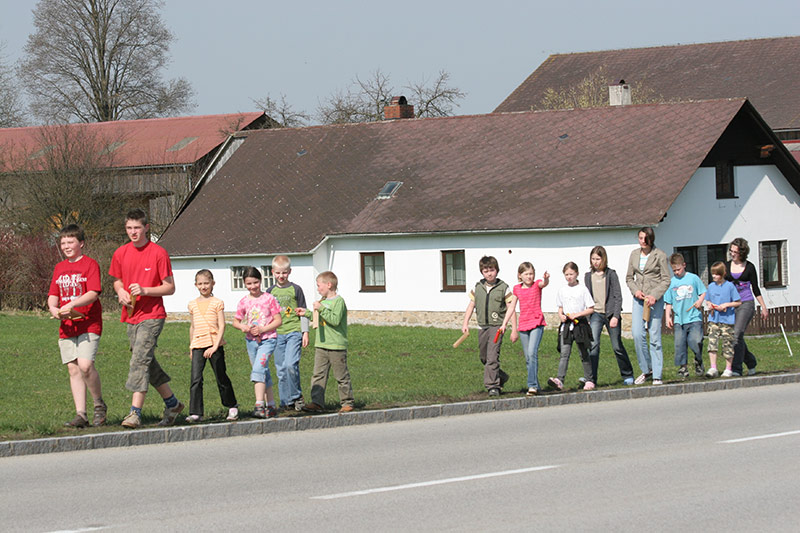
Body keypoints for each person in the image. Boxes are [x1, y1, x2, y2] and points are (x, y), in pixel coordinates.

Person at [110, 209, 184, 429]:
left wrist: (144, 290)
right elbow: (116, 280)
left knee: (140, 360)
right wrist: (121, 292)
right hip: (131, 315)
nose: (133, 232)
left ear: (146, 228)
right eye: (129, 228)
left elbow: (170, 287)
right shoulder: (120, 253)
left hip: (153, 316)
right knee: (146, 361)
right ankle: (172, 403)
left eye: (137, 228)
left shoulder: (158, 253)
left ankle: (134, 413)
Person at [47, 224, 107, 428]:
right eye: (63, 243)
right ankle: (81, 414)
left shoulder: (90, 264)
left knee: (85, 365)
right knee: (73, 369)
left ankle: (99, 404)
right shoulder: (59, 267)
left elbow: (93, 292)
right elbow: (53, 295)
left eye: (70, 242)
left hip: (88, 323)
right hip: (67, 326)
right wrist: (54, 309)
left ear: (81, 243)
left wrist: (72, 303)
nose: (66, 246)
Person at [297, 271, 354, 413]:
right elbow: (319, 317)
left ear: (329, 284)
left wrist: (320, 308)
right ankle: (317, 402)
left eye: (319, 285)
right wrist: (307, 313)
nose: (318, 288)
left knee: (341, 376)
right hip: (321, 345)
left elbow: (334, 320)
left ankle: (347, 402)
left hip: (336, 345)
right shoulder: (322, 301)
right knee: (318, 375)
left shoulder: (338, 302)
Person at [186, 269, 238, 423]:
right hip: (198, 345)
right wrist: (191, 347)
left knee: (221, 376)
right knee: (196, 379)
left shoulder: (217, 303)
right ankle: (195, 412)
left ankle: (232, 405)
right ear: (196, 285)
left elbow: (222, 326)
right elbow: (193, 326)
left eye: (206, 283)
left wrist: (215, 346)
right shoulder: (192, 304)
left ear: (212, 284)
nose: (203, 287)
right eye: (200, 284)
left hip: (214, 345)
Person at [461, 256, 515, 397]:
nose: (489, 273)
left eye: (492, 270)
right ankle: (500, 376)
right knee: (484, 357)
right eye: (486, 271)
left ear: (497, 270)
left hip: (497, 326)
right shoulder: (477, 287)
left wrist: (514, 329)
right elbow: (471, 305)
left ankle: (493, 386)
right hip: (482, 326)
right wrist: (465, 323)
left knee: (492, 357)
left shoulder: (503, 287)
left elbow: (511, 308)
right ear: (482, 272)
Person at [232, 267, 282, 419]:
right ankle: (271, 405)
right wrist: (244, 327)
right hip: (251, 341)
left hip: (268, 339)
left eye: (255, 282)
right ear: (244, 284)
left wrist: (263, 329)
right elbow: (236, 321)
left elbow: (278, 320)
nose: (253, 286)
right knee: (263, 371)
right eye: (249, 283)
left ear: (260, 281)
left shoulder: (269, 299)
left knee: (258, 370)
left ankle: (259, 404)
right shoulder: (244, 302)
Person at [626, 227, 671, 386]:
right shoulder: (634, 254)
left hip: (654, 300)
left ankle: (657, 374)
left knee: (655, 337)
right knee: (637, 334)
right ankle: (647, 369)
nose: (642, 241)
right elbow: (629, 278)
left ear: (651, 239)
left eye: (645, 238)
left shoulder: (660, 255)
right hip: (639, 299)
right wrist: (635, 291)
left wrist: (655, 295)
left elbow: (666, 280)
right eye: (640, 238)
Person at [584, 246, 635, 386]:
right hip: (595, 314)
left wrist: (616, 316)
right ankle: (591, 379)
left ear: (603, 259)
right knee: (593, 345)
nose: (595, 262)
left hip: (611, 314)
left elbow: (618, 296)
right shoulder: (588, 276)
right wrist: (588, 319)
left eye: (598, 259)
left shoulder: (611, 274)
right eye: (593, 259)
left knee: (617, 346)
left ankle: (628, 374)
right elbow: (586, 298)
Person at [266, 255, 309, 411]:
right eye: (278, 273)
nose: (281, 276)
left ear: (289, 272)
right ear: (272, 272)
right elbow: (267, 314)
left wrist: (305, 332)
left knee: (291, 364)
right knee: (281, 369)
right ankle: (285, 401)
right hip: (277, 334)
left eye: (284, 273)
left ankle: (296, 396)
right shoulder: (270, 291)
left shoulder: (296, 289)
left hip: (293, 331)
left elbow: (303, 311)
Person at [499, 262, 548, 396]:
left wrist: (546, 279)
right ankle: (536, 385)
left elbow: (543, 284)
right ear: (520, 275)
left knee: (532, 353)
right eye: (526, 274)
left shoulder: (537, 284)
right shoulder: (517, 289)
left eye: (531, 273)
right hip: (524, 325)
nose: (529, 276)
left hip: (537, 323)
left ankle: (531, 385)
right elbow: (512, 307)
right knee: (528, 357)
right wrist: (504, 324)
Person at [548, 262, 595, 391]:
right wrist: (561, 315)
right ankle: (560, 379)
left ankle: (589, 379)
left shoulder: (583, 289)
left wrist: (578, 314)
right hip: (567, 326)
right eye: (566, 274)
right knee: (564, 353)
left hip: (580, 325)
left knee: (583, 353)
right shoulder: (562, 290)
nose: (569, 277)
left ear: (577, 274)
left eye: (571, 274)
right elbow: (560, 307)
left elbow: (591, 308)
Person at [726, 238, 769, 376]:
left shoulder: (749, 267)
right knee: (736, 337)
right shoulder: (726, 266)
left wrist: (763, 306)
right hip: (731, 305)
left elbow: (755, 288)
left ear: (742, 252)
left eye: (735, 252)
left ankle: (736, 369)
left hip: (746, 303)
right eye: (731, 251)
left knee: (737, 334)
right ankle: (750, 362)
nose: (732, 254)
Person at [664, 253, 707, 378]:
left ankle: (698, 361)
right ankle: (683, 367)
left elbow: (703, 292)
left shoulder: (693, 278)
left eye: (678, 269)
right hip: (679, 319)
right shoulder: (671, 283)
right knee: (679, 344)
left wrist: (699, 301)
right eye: (674, 270)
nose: (676, 272)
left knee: (696, 340)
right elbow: (668, 302)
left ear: (684, 265)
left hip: (694, 317)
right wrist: (668, 317)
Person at [704, 262, 741, 378]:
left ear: (723, 274)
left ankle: (728, 368)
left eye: (717, 274)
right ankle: (713, 367)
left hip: (727, 320)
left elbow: (738, 302)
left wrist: (726, 305)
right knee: (712, 343)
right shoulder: (710, 286)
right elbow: (708, 300)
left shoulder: (730, 286)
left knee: (727, 344)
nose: (714, 276)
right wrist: (710, 305)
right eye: (713, 274)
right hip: (714, 319)